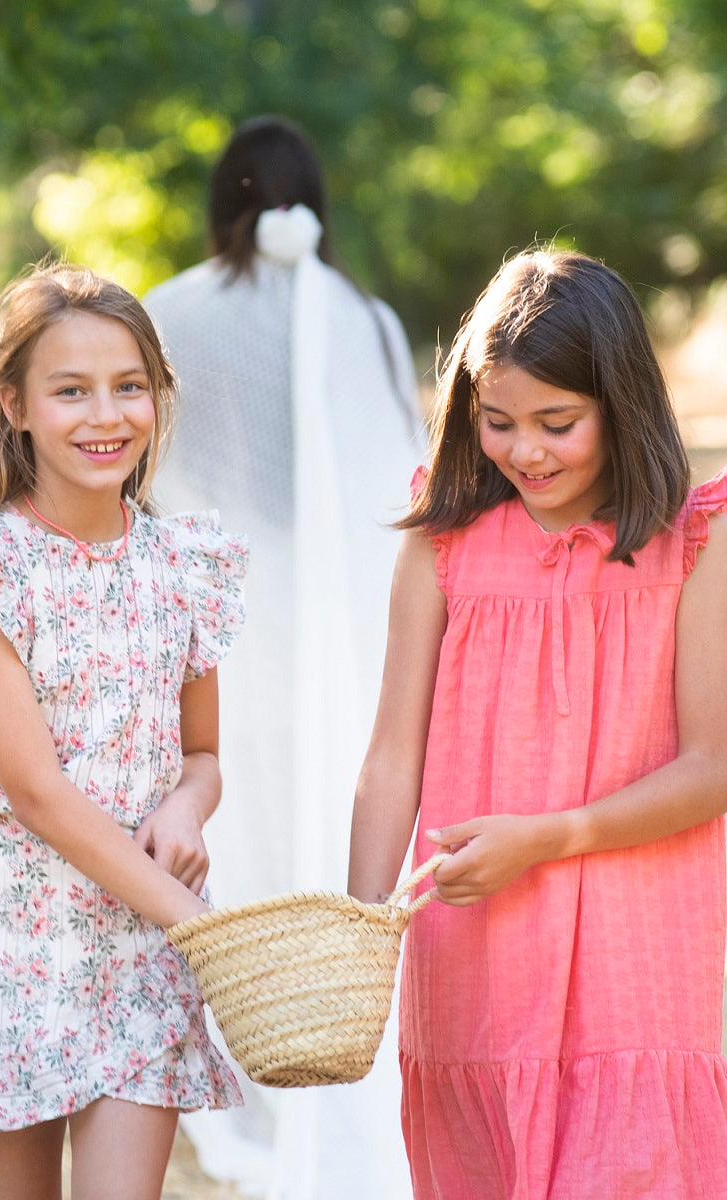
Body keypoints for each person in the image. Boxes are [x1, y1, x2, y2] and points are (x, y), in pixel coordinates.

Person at [348, 247, 727, 1199]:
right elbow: (391, 759)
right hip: (477, 952)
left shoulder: (696, 544)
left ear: (622, 404)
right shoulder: (443, 546)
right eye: (499, 421)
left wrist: (549, 838)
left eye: (558, 423)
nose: (526, 452)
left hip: (639, 956)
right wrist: (359, 930)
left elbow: (713, 767)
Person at [144, 116, 422, 1200]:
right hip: (348, 637)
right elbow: (398, 483)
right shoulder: (369, 321)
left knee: (240, 847)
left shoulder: (168, 313)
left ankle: (254, 1082)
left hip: (224, 636)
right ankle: (338, 1046)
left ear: (223, 201)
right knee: (332, 844)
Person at [0, 262, 248, 1200]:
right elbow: (35, 791)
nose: (105, 415)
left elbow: (202, 754)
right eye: (71, 391)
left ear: (157, 396)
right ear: (15, 405)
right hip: (8, 941)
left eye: (128, 386)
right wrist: (196, 920)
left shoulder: (184, 565)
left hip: (140, 944)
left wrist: (186, 809)